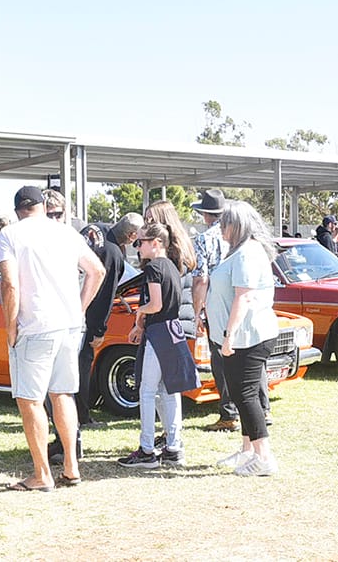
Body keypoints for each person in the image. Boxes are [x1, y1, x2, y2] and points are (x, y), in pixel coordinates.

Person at [0, 186, 105, 492]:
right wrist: (80, 309)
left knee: (30, 400)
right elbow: (96, 270)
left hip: (35, 326)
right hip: (69, 326)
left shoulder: (10, 235)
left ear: (18, 209)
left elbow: (9, 284)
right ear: (44, 206)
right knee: (63, 395)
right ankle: (71, 466)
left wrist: (10, 325)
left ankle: (42, 473)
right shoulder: (67, 232)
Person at [206, 200, 281, 476]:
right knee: (240, 393)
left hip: (248, 336)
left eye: (225, 223)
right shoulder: (239, 252)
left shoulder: (247, 253)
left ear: (237, 225)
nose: (220, 227)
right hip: (242, 336)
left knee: (245, 395)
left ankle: (264, 456)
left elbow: (244, 296)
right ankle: (248, 450)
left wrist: (229, 335)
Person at [116, 222, 197, 469]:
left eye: (140, 242)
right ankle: (173, 447)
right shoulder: (172, 266)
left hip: (158, 332)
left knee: (148, 391)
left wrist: (140, 312)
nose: (137, 247)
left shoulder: (153, 269)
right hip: (173, 331)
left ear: (156, 243)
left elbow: (156, 304)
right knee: (169, 390)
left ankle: (147, 450)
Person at [189, 190, 239, 432]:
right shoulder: (238, 236)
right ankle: (259, 408)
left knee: (219, 357)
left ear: (204, 214)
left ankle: (229, 412)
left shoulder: (203, 239)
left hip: (216, 304)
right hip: (240, 297)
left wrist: (197, 311)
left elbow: (201, 278)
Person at [77, 221, 126, 429]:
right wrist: (99, 330)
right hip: (84, 315)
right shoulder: (113, 253)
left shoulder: (93, 227)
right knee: (81, 365)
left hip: (64, 303)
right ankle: (81, 416)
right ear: (131, 237)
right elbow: (105, 296)